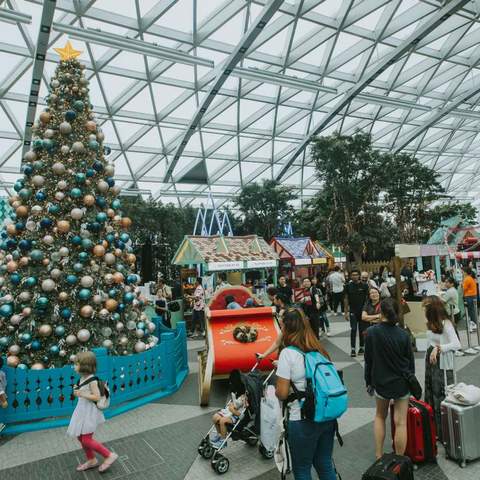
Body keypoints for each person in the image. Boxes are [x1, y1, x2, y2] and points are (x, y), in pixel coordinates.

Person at [275, 308, 337, 480]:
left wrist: (280, 373)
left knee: (302, 469)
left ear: (286, 328)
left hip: (302, 419)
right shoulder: (318, 348)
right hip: (327, 416)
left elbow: (282, 393)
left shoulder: (287, 354)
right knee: (324, 463)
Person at [364, 298, 414, 460]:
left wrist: (368, 381)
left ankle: (379, 456)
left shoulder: (372, 333)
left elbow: (368, 360)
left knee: (380, 416)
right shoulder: (404, 334)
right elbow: (410, 362)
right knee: (401, 422)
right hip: (401, 382)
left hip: (381, 381)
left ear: (382, 312)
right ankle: (399, 460)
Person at [67, 352, 118, 472]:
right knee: (80, 437)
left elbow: (96, 397)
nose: (74, 366)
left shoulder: (92, 380)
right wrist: (77, 391)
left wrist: (81, 393)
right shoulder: (82, 378)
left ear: (85, 366)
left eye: (76, 364)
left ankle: (109, 455)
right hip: (82, 410)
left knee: (86, 439)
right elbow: (80, 393)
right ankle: (91, 460)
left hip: (89, 412)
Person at [423, 296, 461, 441]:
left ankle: (444, 431)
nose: (424, 310)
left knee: (441, 394)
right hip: (432, 362)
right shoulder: (433, 323)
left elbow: (456, 344)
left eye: (426, 307)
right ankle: (435, 430)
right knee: (431, 392)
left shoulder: (446, 324)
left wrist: (439, 348)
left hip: (443, 364)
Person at [210, 370, 248, 448]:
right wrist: (231, 407)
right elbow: (232, 404)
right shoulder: (235, 392)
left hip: (236, 416)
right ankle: (220, 434)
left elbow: (242, 413)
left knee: (222, 421)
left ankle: (223, 441)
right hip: (230, 411)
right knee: (215, 417)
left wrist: (232, 410)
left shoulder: (244, 397)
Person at [257, 293, 290, 360]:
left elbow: (277, 343)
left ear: (279, 300)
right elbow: (277, 343)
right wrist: (264, 355)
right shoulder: (289, 309)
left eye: (280, 317)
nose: (279, 320)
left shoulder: (283, 311)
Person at [344, 269, 369, 357]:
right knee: (353, 329)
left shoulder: (365, 286)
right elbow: (346, 299)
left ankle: (362, 347)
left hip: (362, 311)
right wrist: (346, 312)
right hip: (353, 311)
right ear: (350, 276)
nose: (354, 276)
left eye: (356, 275)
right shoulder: (347, 286)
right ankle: (353, 349)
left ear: (359, 276)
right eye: (353, 275)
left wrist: (366, 310)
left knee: (362, 330)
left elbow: (367, 299)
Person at [463, 268, 478, 332]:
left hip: (469, 296)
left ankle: (473, 324)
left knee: (470, 311)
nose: (462, 273)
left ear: (466, 272)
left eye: (463, 272)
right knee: (472, 310)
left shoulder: (467, 279)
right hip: (473, 295)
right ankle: (474, 324)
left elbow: (464, 288)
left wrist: (462, 284)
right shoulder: (471, 278)